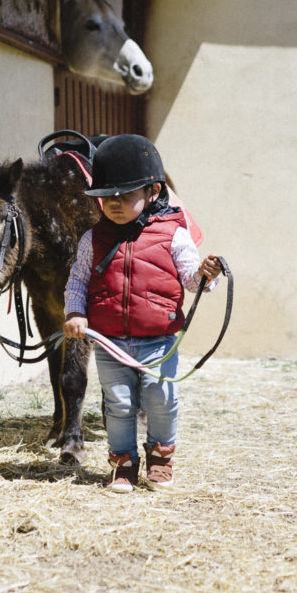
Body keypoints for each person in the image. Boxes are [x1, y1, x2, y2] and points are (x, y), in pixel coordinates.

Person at [63, 134, 222, 493]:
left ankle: (160, 459)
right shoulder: (93, 239)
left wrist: (205, 275)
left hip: (157, 341)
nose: (115, 204)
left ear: (152, 192)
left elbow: (191, 280)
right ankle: (122, 464)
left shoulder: (174, 235)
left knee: (160, 399)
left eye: (125, 195)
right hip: (109, 341)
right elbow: (77, 280)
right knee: (117, 403)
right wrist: (75, 312)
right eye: (107, 197)